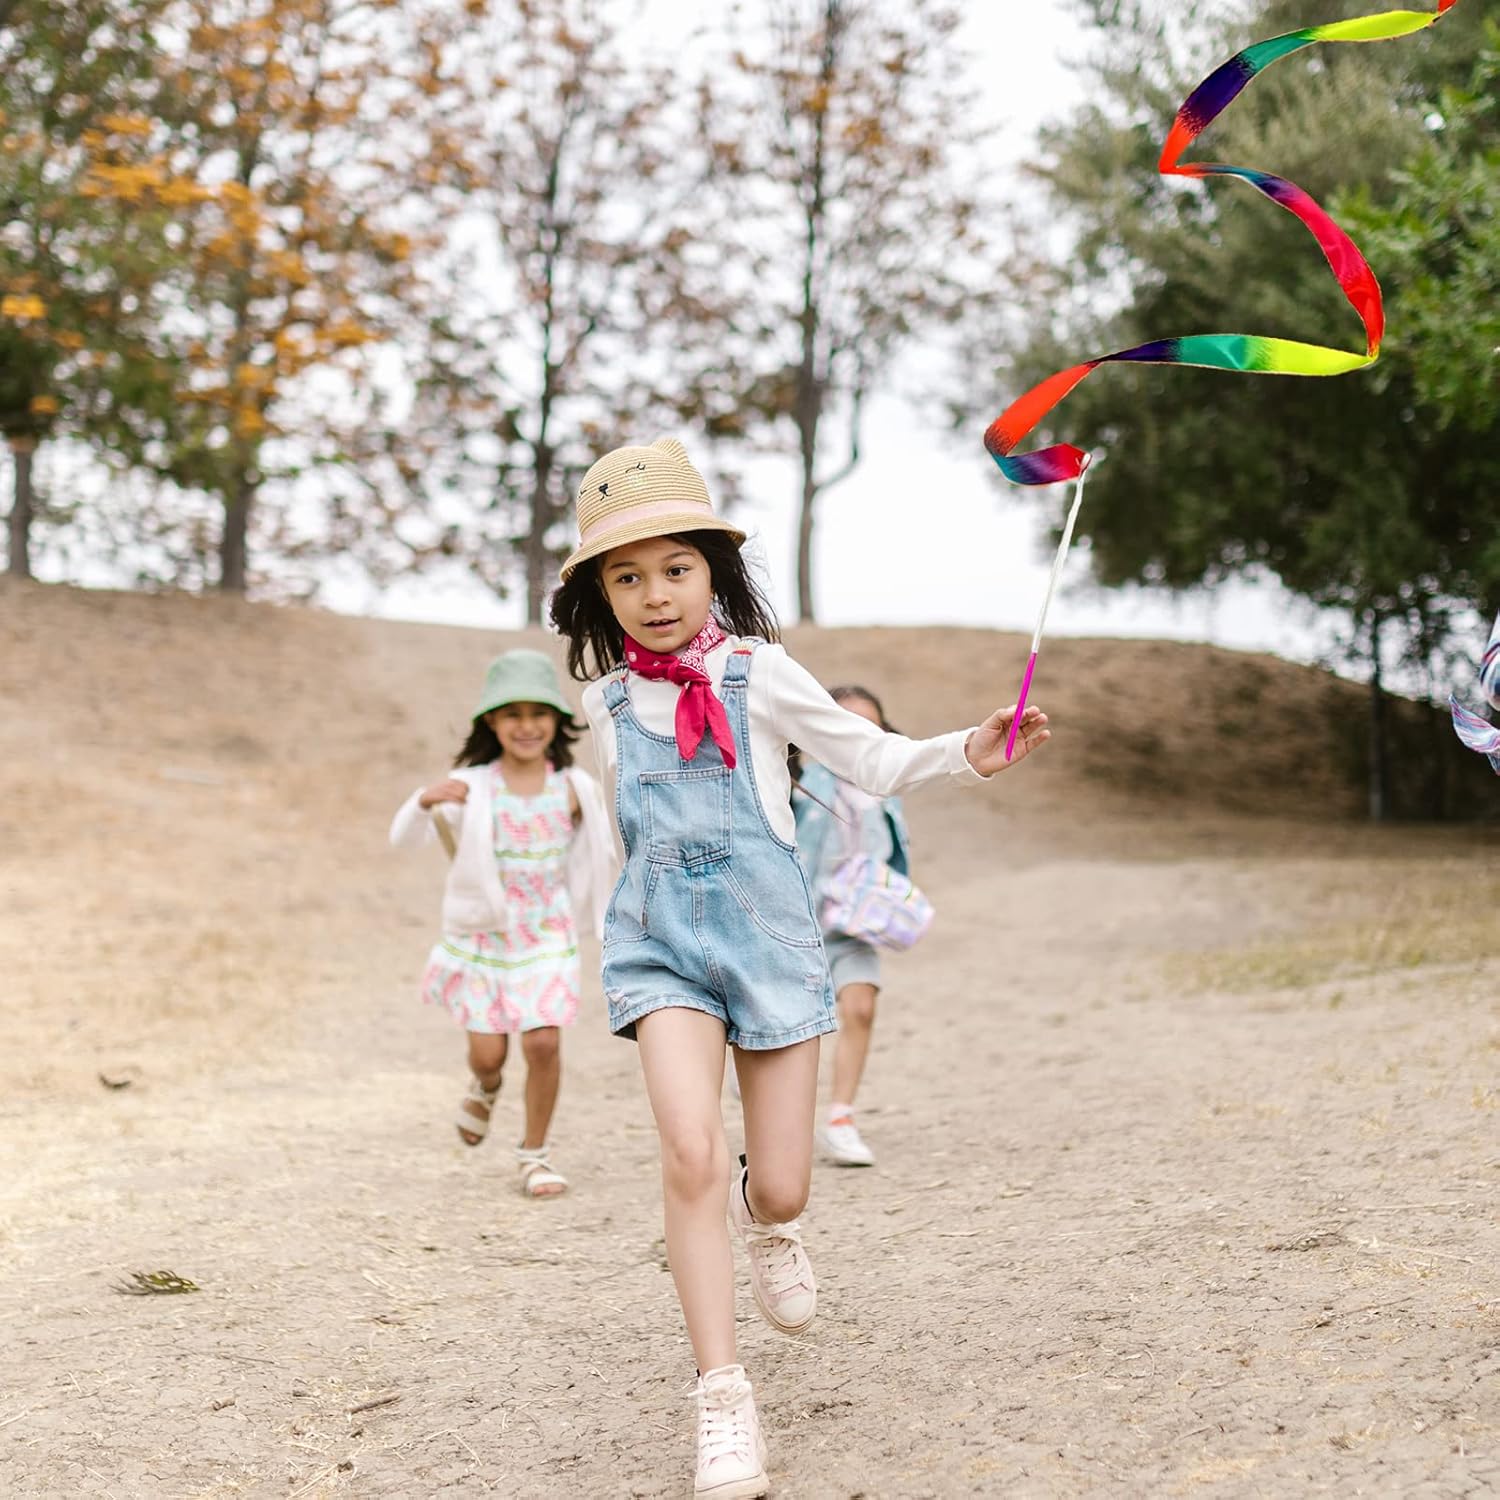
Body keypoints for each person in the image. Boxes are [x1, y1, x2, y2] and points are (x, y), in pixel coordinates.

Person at [549, 436, 1051, 1497]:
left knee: (781, 1184)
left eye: (675, 568)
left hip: (771, 943)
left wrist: (967, 751)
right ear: (600, 593)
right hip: (659, 950)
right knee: (687, 1148)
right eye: (627, 578)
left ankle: (765, 1217)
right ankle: (722, 1397)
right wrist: (588, 935)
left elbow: (869, 758)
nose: (654, 595)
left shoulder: (758, 673)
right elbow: (611, 844)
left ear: (714, 572)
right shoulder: (604, 707)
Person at [389, 649, 615, 1198]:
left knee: (543, 1043)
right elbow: (404, 840)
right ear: (491, 721)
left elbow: (603, 850)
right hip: (486, 938)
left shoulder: (574, 787)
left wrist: (607, 916)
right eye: (512, 714)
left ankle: (534, 1154)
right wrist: (422, 802)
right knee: (490, 1053)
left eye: (538, 714)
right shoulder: (471, 785)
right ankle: (486, 1084)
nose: (526, 726)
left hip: (547, 935)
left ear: (556, 721)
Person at [792, 684, 917, 1168]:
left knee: (861, 1008)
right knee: (792, 1025)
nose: (858, 735)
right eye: (846, 724)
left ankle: (840, 1118)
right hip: (797, 923)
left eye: (870, 726)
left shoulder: (884, 792)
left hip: (855, 925)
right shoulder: (804, 781)